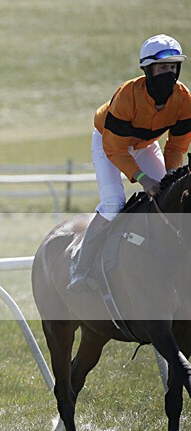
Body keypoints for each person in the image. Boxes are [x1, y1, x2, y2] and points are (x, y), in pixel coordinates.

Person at [67, 34, 191, 292]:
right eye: (161, 68)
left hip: (145, 145)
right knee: (113, 203)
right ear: (147, 70)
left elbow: (177, 145)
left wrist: (172, 178)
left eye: (172, 67)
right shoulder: (127, 95)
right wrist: (142, 178)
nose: (168, 73)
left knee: (169, 197)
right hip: (110, 144)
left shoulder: (184, 99)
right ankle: (81, 267)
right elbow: (116, 148)